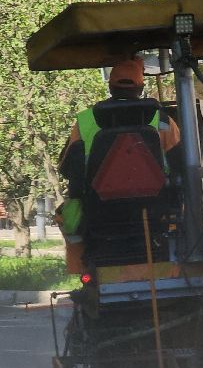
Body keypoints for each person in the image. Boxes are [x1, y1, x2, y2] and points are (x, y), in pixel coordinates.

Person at [57, 56, 181, 272]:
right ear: (141, 86)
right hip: (154, 212)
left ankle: (85, 270)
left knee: (65, 215)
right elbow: (180, 163)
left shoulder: (85, 120)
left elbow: (69, 167)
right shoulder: (161, 119)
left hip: (98, 214)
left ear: (110, 85)